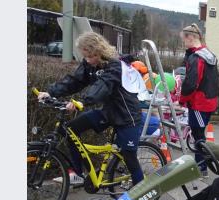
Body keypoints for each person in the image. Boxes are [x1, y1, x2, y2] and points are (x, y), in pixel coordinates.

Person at [37, 32, 144, 187]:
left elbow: (102, 87)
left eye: (89, 56)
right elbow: (75, 81)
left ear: (98, 52)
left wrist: (82, 101)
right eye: (84, 57)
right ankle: (78, 174)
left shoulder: (115, 65)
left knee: (129, 156)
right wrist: (50, 92)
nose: (86, 60)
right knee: (70, 130)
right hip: (108, 112)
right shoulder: (90, 64)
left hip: (127, 115)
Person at [179, 23, 219, 177]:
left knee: (198, 136)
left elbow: (191, 83)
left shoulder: (197, 58)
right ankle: (201, 166)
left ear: (190, 37)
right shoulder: (208, 54)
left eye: (184, 40)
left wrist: (181, 100)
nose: (184, 43)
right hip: (210, 100)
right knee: (199, 134)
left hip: (199, 103)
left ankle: (201, 168)